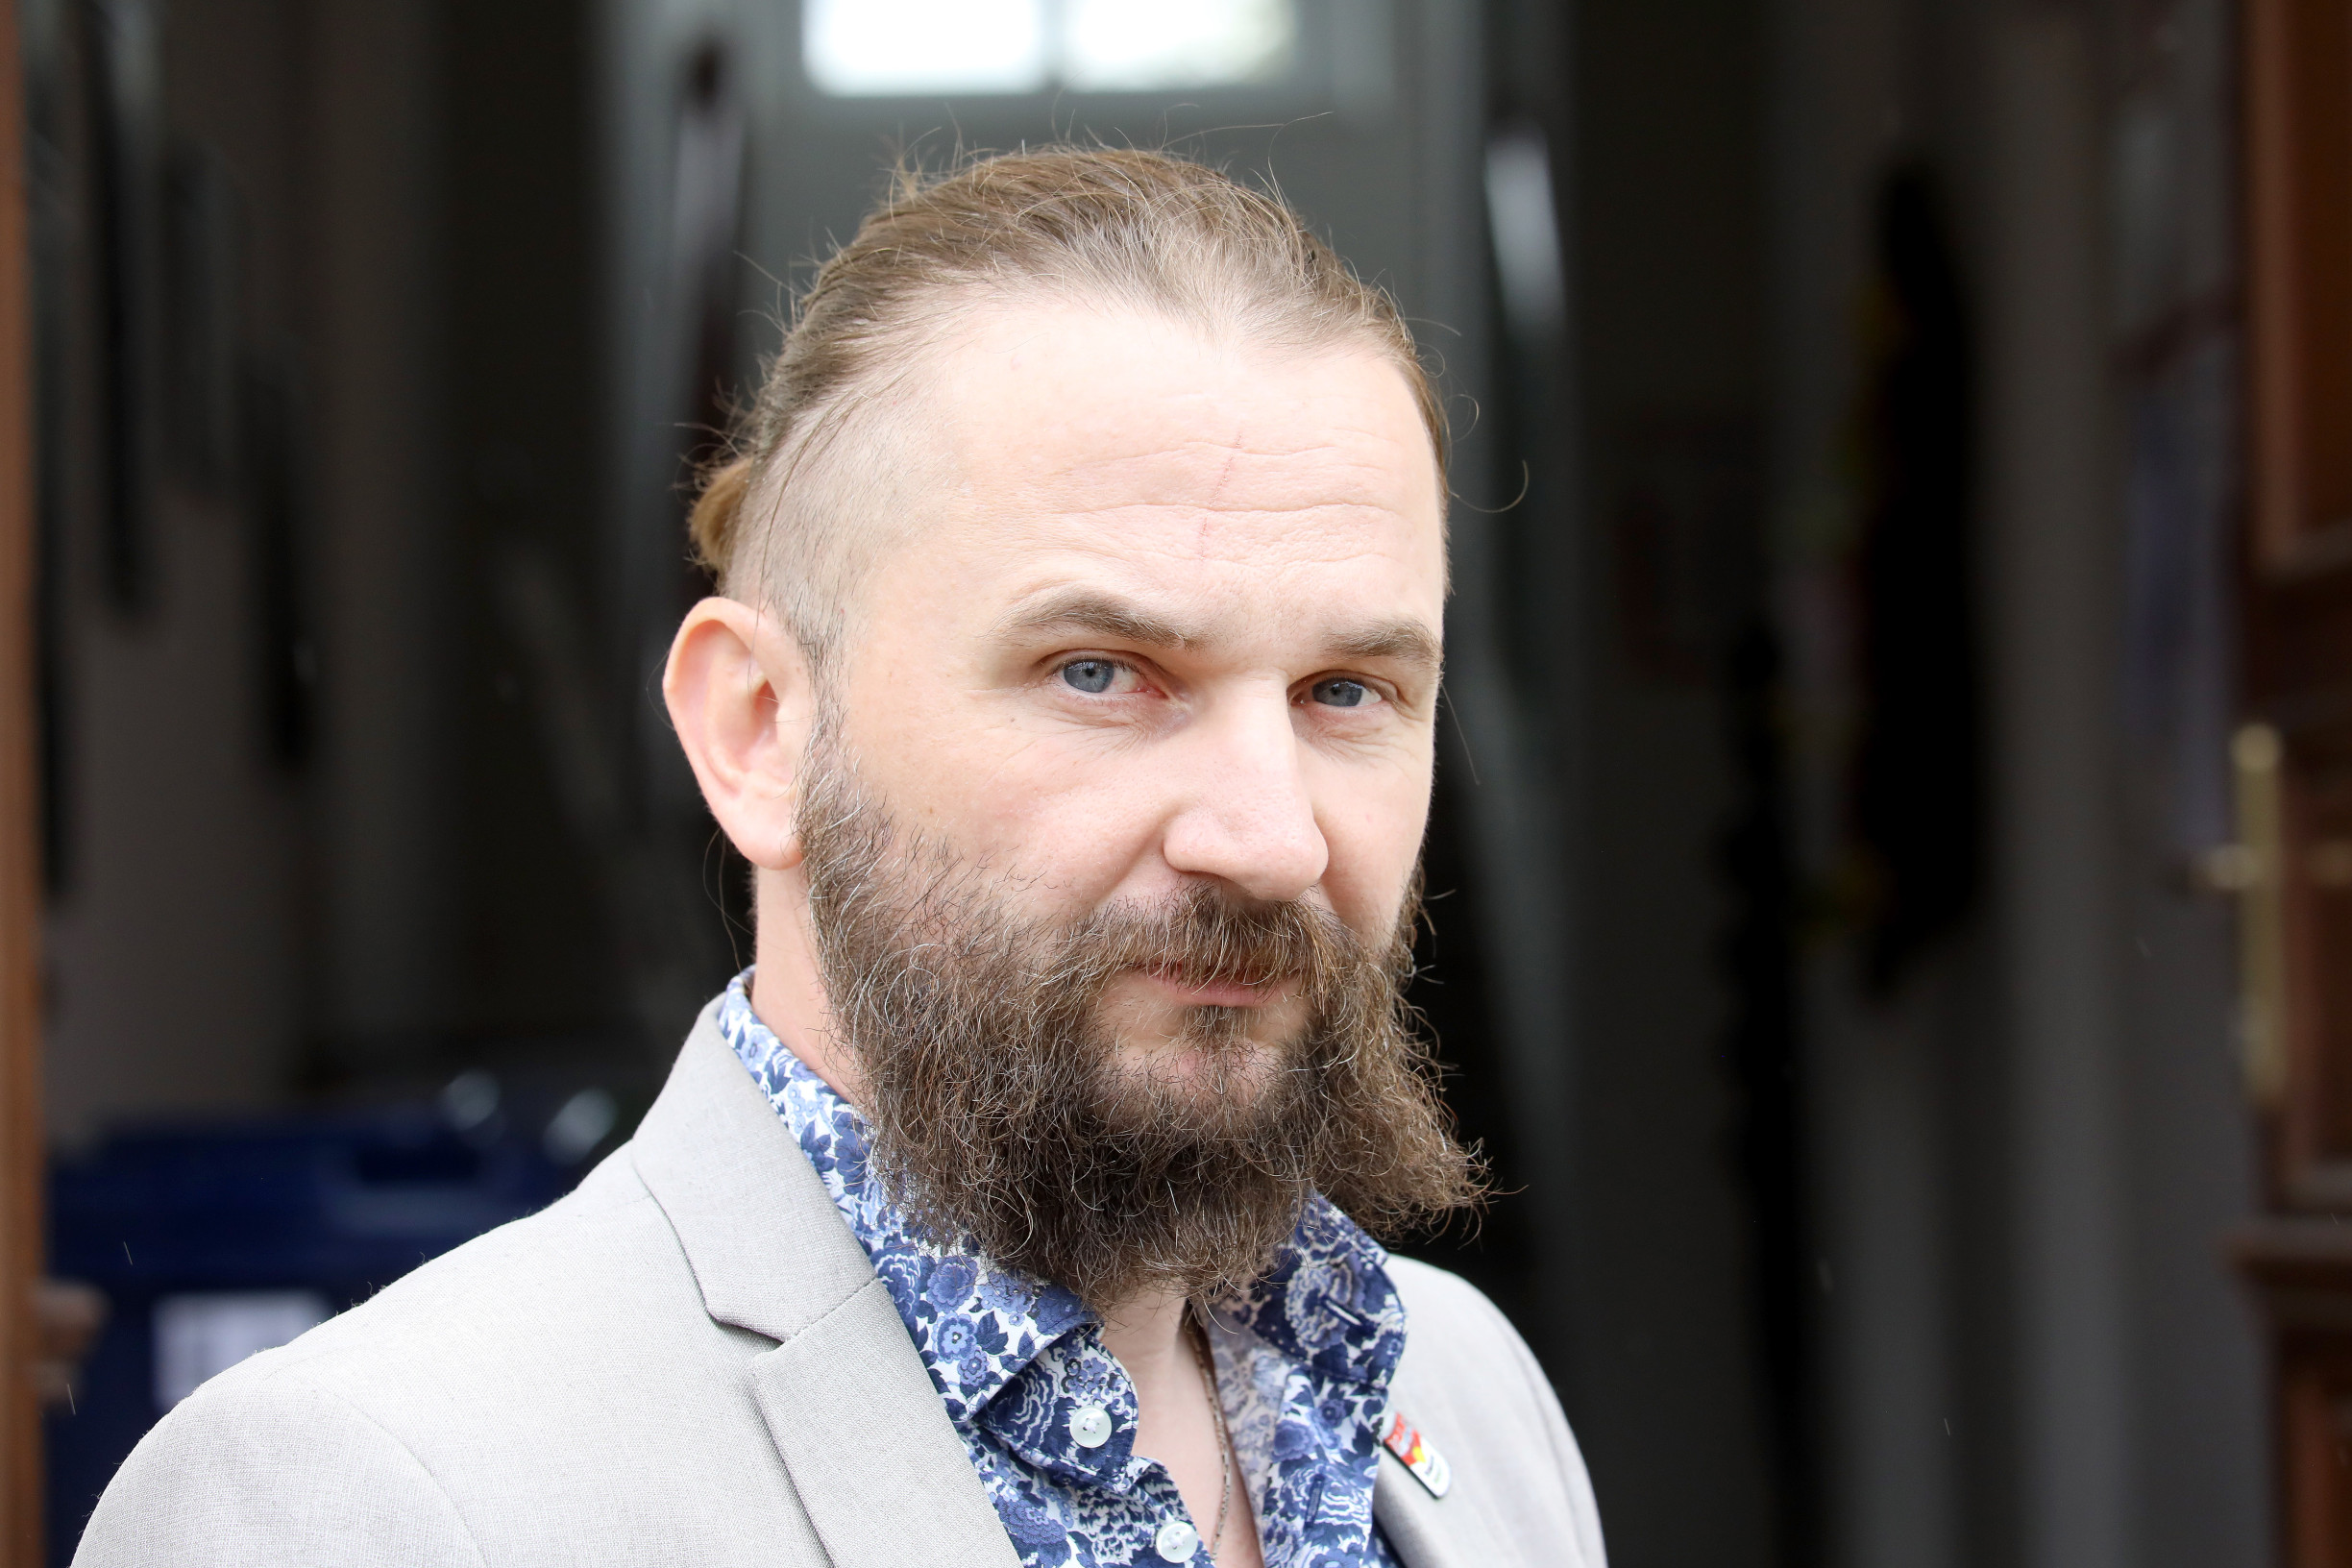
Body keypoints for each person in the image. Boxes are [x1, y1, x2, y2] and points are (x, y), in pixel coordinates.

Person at [76, 147, 1605, 1568]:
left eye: (1348, 693)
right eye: (1100, 672)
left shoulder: (1468, 1398)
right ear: (759, 731)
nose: (1269, 839)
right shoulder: (357, 1499)